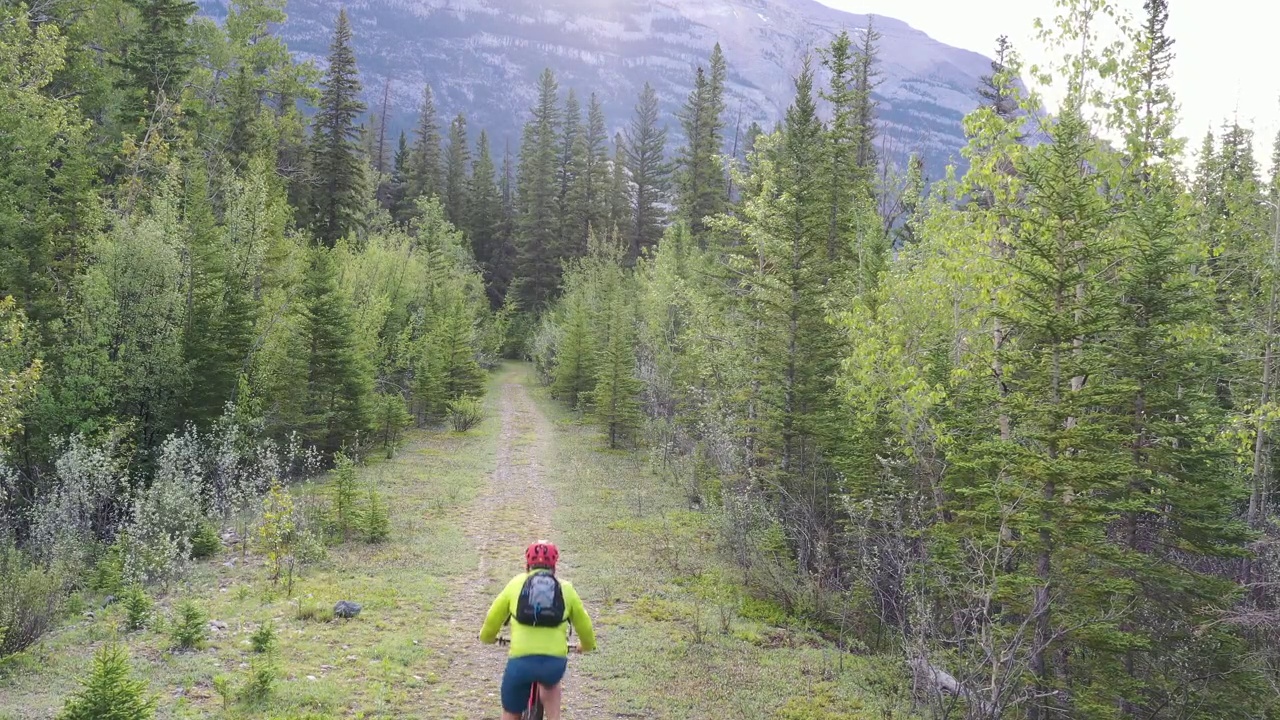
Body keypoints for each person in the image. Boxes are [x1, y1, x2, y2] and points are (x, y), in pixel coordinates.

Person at [480, 541, 596, 720]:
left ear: (527, 564)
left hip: (520, 663)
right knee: (551, 685)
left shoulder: (516, 584)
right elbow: (585, 625)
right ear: (554, 565)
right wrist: (586, 646)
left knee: (510, 711)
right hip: (553, 663)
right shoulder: (566, 588)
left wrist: (488, 638)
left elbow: (492, 618)